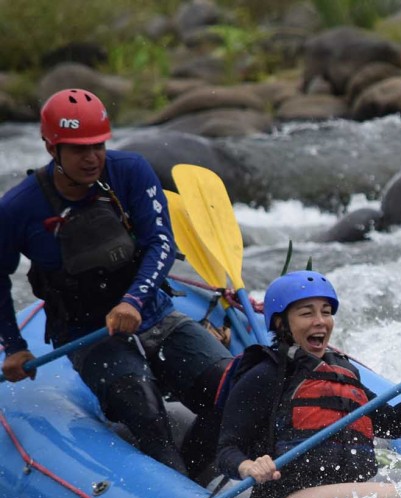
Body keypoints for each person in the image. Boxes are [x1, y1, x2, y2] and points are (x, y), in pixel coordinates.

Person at [0, 88, 231, 475]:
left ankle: (195, 474)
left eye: (98, 145)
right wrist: (14, 346)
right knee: (142, 406)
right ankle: (176, 493)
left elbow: (161, 243)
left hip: (155, 314)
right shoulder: (19, 207)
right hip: (85, 332)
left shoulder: (130, 171)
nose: (91, 158)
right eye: (78, 149)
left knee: (231, 392)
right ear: (50, 147)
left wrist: (133, 301)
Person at [215, 270, 401, 498]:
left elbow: (392, 425)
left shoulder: (343, 374)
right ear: (280, 323)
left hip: (345, 490)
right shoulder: (264, 375)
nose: (320, 321)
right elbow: (227, 450)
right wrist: (249, 466)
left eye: (326, 312)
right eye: (307, 313)